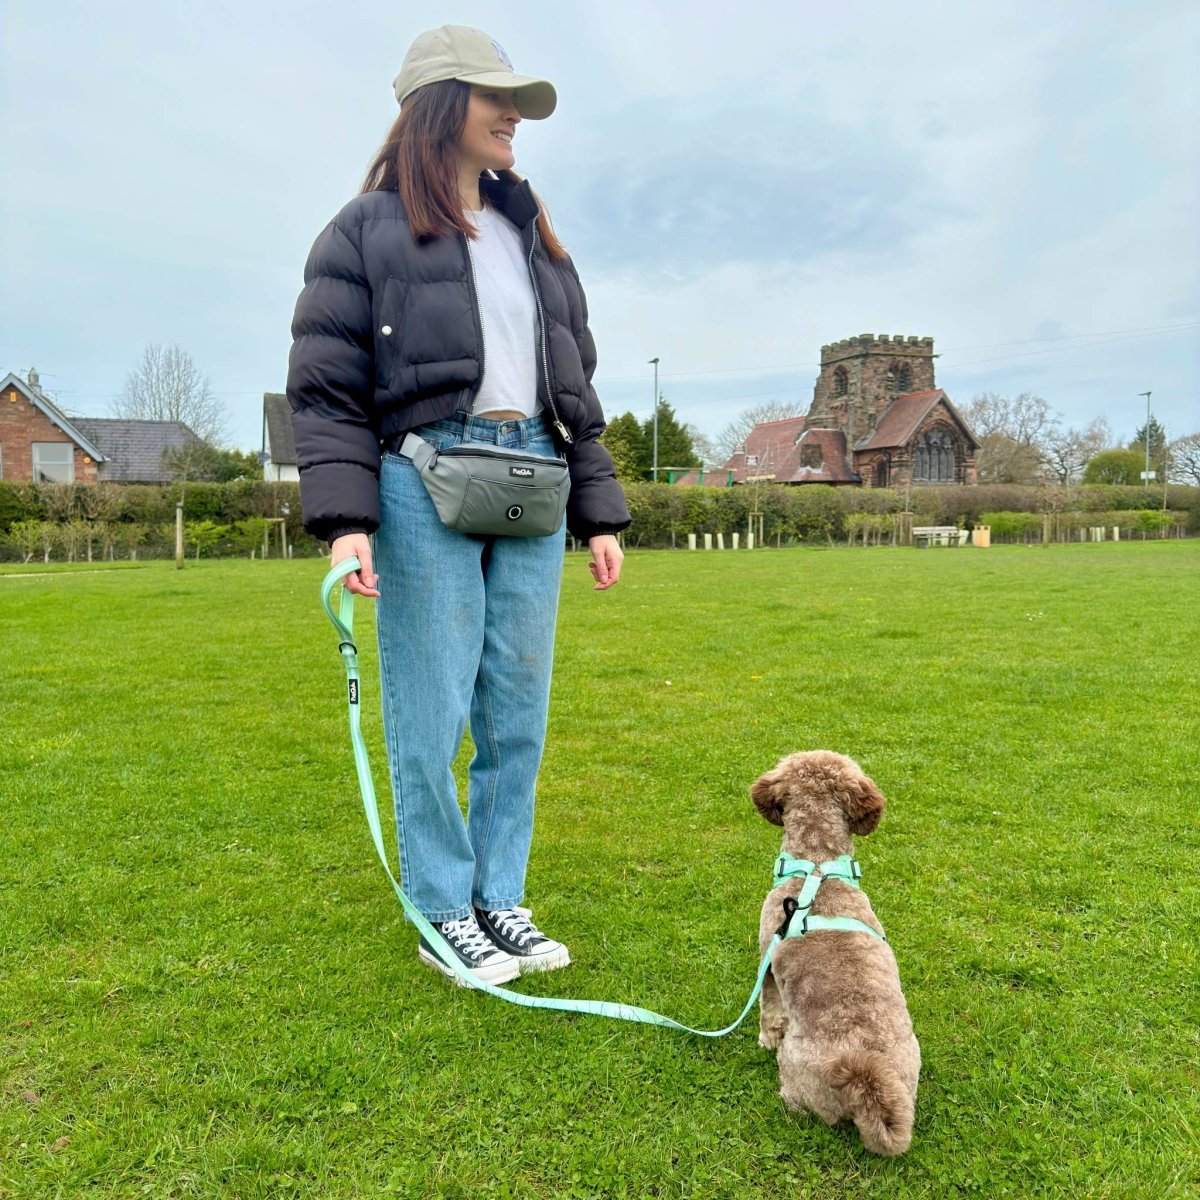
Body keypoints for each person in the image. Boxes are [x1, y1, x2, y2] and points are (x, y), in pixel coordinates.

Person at [287, 26, 630, 987]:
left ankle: (500, 897)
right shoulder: (363, 230)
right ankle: (446, 909)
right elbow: (326, 389)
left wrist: (597, 512)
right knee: (432, 711)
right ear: (441, 104)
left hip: (531, 474)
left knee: (517, 708)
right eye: (496, 96)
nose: (515, 115)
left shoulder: (533, 238)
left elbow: (575, 383)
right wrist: (346, 520)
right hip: (421, 474)